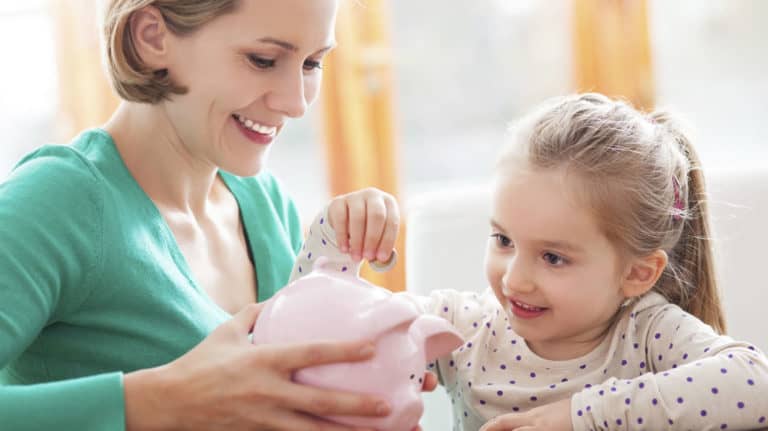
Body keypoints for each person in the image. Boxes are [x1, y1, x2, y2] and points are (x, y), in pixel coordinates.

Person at [0, 1, 433, 430]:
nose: (296, 103)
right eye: (263, 60)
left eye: (311, 63)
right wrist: (162, 401)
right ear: (152, 37)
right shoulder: (56, 202)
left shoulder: (266, 203)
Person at [295, 93, 768, 430]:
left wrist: (582, 416)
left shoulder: (647, 334)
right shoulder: (464, 325)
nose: (515, 279)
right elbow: (303, 342)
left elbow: (757, 383)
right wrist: (331, 242)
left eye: (553, 258)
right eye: (503, 239)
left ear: (637, 274)